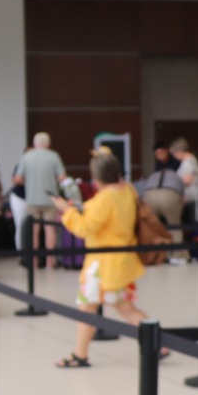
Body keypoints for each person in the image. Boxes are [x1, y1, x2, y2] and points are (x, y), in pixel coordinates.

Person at [50, 151, 153, 368]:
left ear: (96, 179)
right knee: (125, 307)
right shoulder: (127, 190)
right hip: (121, 261)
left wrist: (67, 211)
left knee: (87, 309)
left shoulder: (106, 197)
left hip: (102, 264)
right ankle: (157, 343)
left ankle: (80, 355)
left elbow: (85, 228)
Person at [13, 132, 65, 267]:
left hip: (32, 199)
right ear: (48, 143)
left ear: (34, 144)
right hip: (50, 199)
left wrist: (29, 182)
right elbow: (62, 177)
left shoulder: (26, 157)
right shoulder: (54, 156)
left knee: (34, 230)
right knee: (50, 229)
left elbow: (17, 178)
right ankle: (50, 261)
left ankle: (34, 261)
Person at [171, 138, 198, 222]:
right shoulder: (189, 161)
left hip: (191, 197)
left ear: (179, 152)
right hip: (190, 197)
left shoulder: (188, 162)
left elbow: (188, 180)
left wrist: (174, 180)